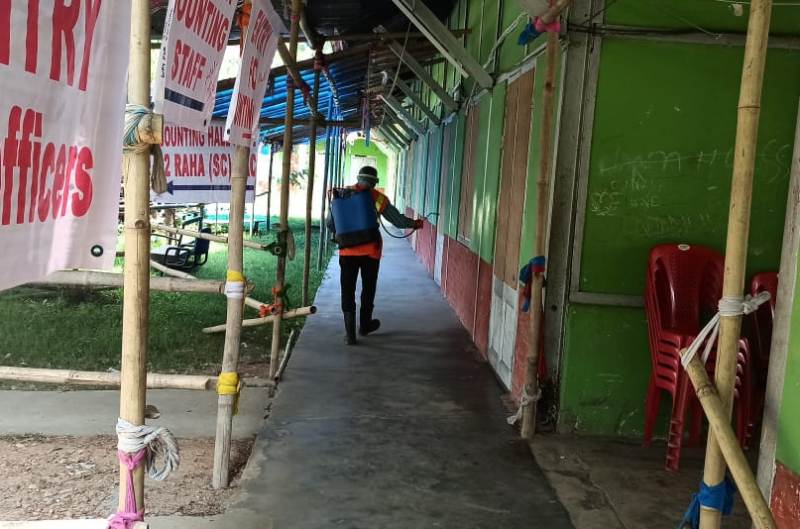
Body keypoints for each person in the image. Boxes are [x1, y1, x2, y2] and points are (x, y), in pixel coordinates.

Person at [328, 166, 423, 345]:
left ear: (358, 178)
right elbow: (397, 220)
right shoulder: (377, 197)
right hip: (370, 252)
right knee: (368, 288)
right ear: (374, 182)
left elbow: (331, 224)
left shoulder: (342, 194)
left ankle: (350, 335)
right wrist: (415, 223)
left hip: (347, 251)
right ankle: (365, 326)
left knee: (347, 290)